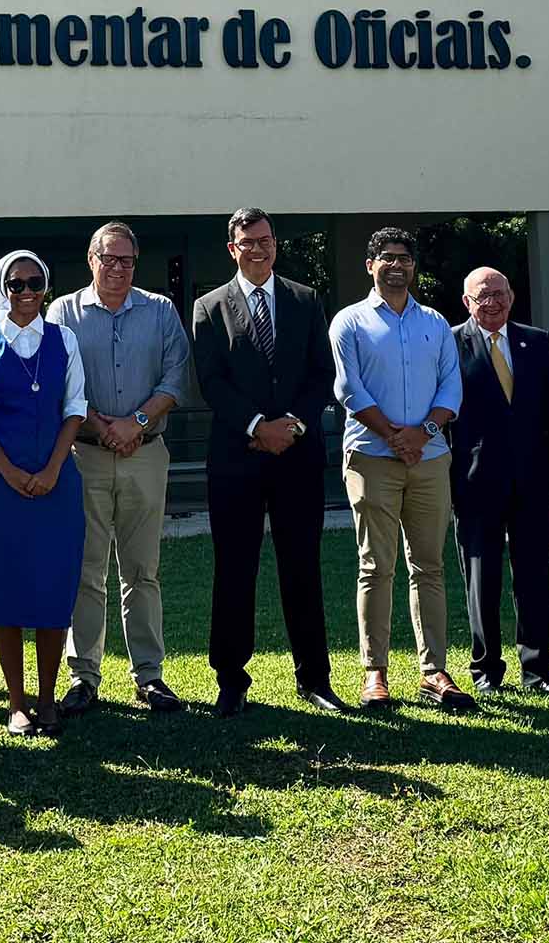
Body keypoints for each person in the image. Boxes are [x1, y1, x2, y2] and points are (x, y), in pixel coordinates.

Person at [190, 209, 342, 717]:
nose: (259, 249)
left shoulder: (304, 299)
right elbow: (211, 382)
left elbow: (323, 373)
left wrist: (293, 426)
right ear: (232, 248)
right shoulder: (209, 307)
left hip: (297, 457)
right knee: (235, 570)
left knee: (302, 568)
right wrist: (258, 426)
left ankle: (314, 679)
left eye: (266, 241)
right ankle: (231, 679)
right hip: (237, 459)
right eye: (248, 242)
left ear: (275, 245)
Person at [48, 221, 191, 717]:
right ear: (92, 260)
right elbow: (57, 379)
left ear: (136, 263)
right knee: (86, 570)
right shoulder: (63, 311)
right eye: (107, 259)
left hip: (145, 453)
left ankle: (149, 676)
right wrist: (102, 424)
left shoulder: (161, 311)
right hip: (84, 452)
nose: (116, 269)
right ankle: (84, 675)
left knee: (142, 570)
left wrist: (136, 422)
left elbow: (176, 376)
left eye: (126, 260)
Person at [329, 227, 473, 712]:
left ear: (414, 267)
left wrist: (422, 434)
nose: (396, 265)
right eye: (386, 257)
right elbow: (349, 388)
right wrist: (394, 435)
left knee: (429, 566)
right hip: (372, 458)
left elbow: (451, 387)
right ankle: (376, 674)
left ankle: (434, 671)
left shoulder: (435, 322)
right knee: (376, 566)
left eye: (405, 258)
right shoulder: (349, 322)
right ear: (370, 265)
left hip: (430, 459)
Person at [0, 250, 89, 735]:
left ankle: (48, 697)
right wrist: (10, 471)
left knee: (52, 588)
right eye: (16, 284)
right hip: (1, 483)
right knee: (8, 588)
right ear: (2, 288)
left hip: (56, 481)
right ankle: (16, 701)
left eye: (36, 282)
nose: (27, 292)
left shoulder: (64, 339)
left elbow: (75, 406)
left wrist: (54, 468)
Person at [451, 266, 549, 696]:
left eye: (499, 293)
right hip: (474, 482)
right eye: (483, 296)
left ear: (512, 295)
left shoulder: (537, 342)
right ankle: (486, 670)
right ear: (467, 302)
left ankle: (537, 668)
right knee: (481, 579)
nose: (493, 301)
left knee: (534, 577)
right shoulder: (449, 344)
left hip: (533, 482)